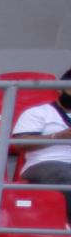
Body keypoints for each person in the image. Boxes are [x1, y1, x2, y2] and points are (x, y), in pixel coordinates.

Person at [10, 69, 71, 219]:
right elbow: (20, 143)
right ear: (59, 88)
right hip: (45, 164)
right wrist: (58, 136)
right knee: (66, 177)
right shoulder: (38, 112)